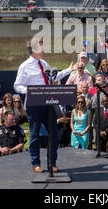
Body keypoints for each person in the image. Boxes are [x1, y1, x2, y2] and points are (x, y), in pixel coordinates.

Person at [13, 39, 75, 173]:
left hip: (48, 102)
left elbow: (53, 77)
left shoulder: (45, 63)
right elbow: (17, 85)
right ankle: (36, 163)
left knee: (53, 134)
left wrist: (70, 70)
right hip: (33, 104)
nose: (44, 50)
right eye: (42, 47)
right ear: (34, 50)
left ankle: (52, 163)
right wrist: (28, 90)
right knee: (35, 134)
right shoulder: (24, 66)